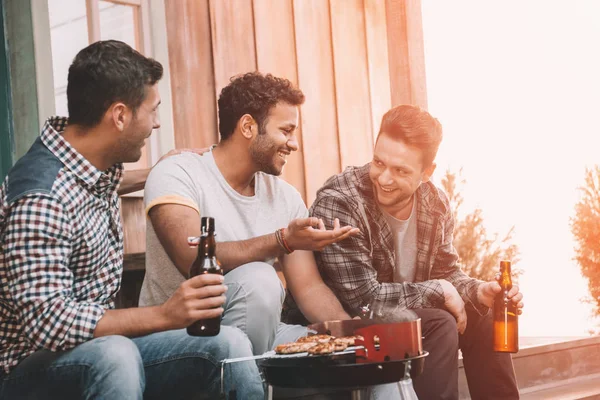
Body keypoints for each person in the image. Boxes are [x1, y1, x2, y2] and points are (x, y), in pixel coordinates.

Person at [0, 40, 263, 399]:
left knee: (227, 345)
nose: (156, 123)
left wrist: (156, 172)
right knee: (115, 353)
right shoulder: (39, 197)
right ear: (120, 116)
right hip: (29, 370)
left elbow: (81, 188)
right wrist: (166, 315)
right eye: (152, 110)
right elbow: (51, 323)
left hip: (98, 352)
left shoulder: (87, 168)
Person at [307, 105, 524, 399]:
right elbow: (362, 300)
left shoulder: (435, 203)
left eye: (400, 171)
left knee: (485, 317)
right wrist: (440, 290)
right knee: (440, 322)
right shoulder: (341, 202)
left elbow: (446, 274)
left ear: (427, 172)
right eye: (378, 162)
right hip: (348, 327)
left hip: (409, 321)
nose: (383, 178)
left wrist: (478, 291)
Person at [139, 72, 359, 355]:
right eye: (286, 130)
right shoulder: (178, 173)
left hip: (264, 329)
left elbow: (309, 288)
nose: (294, 144)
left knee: (359, 353)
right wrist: (282, 240)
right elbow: (192, 258)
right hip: (181, 335)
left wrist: (349, 329)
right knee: (259, 279)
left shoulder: (285, 196)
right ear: (247, 127)